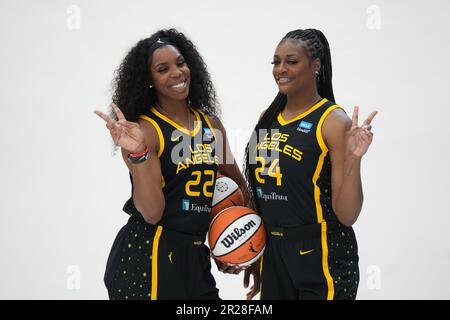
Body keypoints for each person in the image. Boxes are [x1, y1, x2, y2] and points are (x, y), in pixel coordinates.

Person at [94, 28, 248, 300]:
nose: (177, 73)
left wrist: (232, 240)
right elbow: (152, 212)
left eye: (180, 63)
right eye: (163, 69)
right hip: (149, 258)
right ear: (149, 80)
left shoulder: (210, 125)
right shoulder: (144, 132)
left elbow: (239, 191)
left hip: (194, 257)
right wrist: (139, 154)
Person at [243, 28, 378, 300]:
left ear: (315, 66)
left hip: (321, 254)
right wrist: (256, 253)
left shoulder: (332, 121)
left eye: (291, 61)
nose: (281, 69)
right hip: (275, 254)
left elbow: (347, 215)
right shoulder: (267, 118)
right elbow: (263, 195)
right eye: (276, 62)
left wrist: (353, 160)